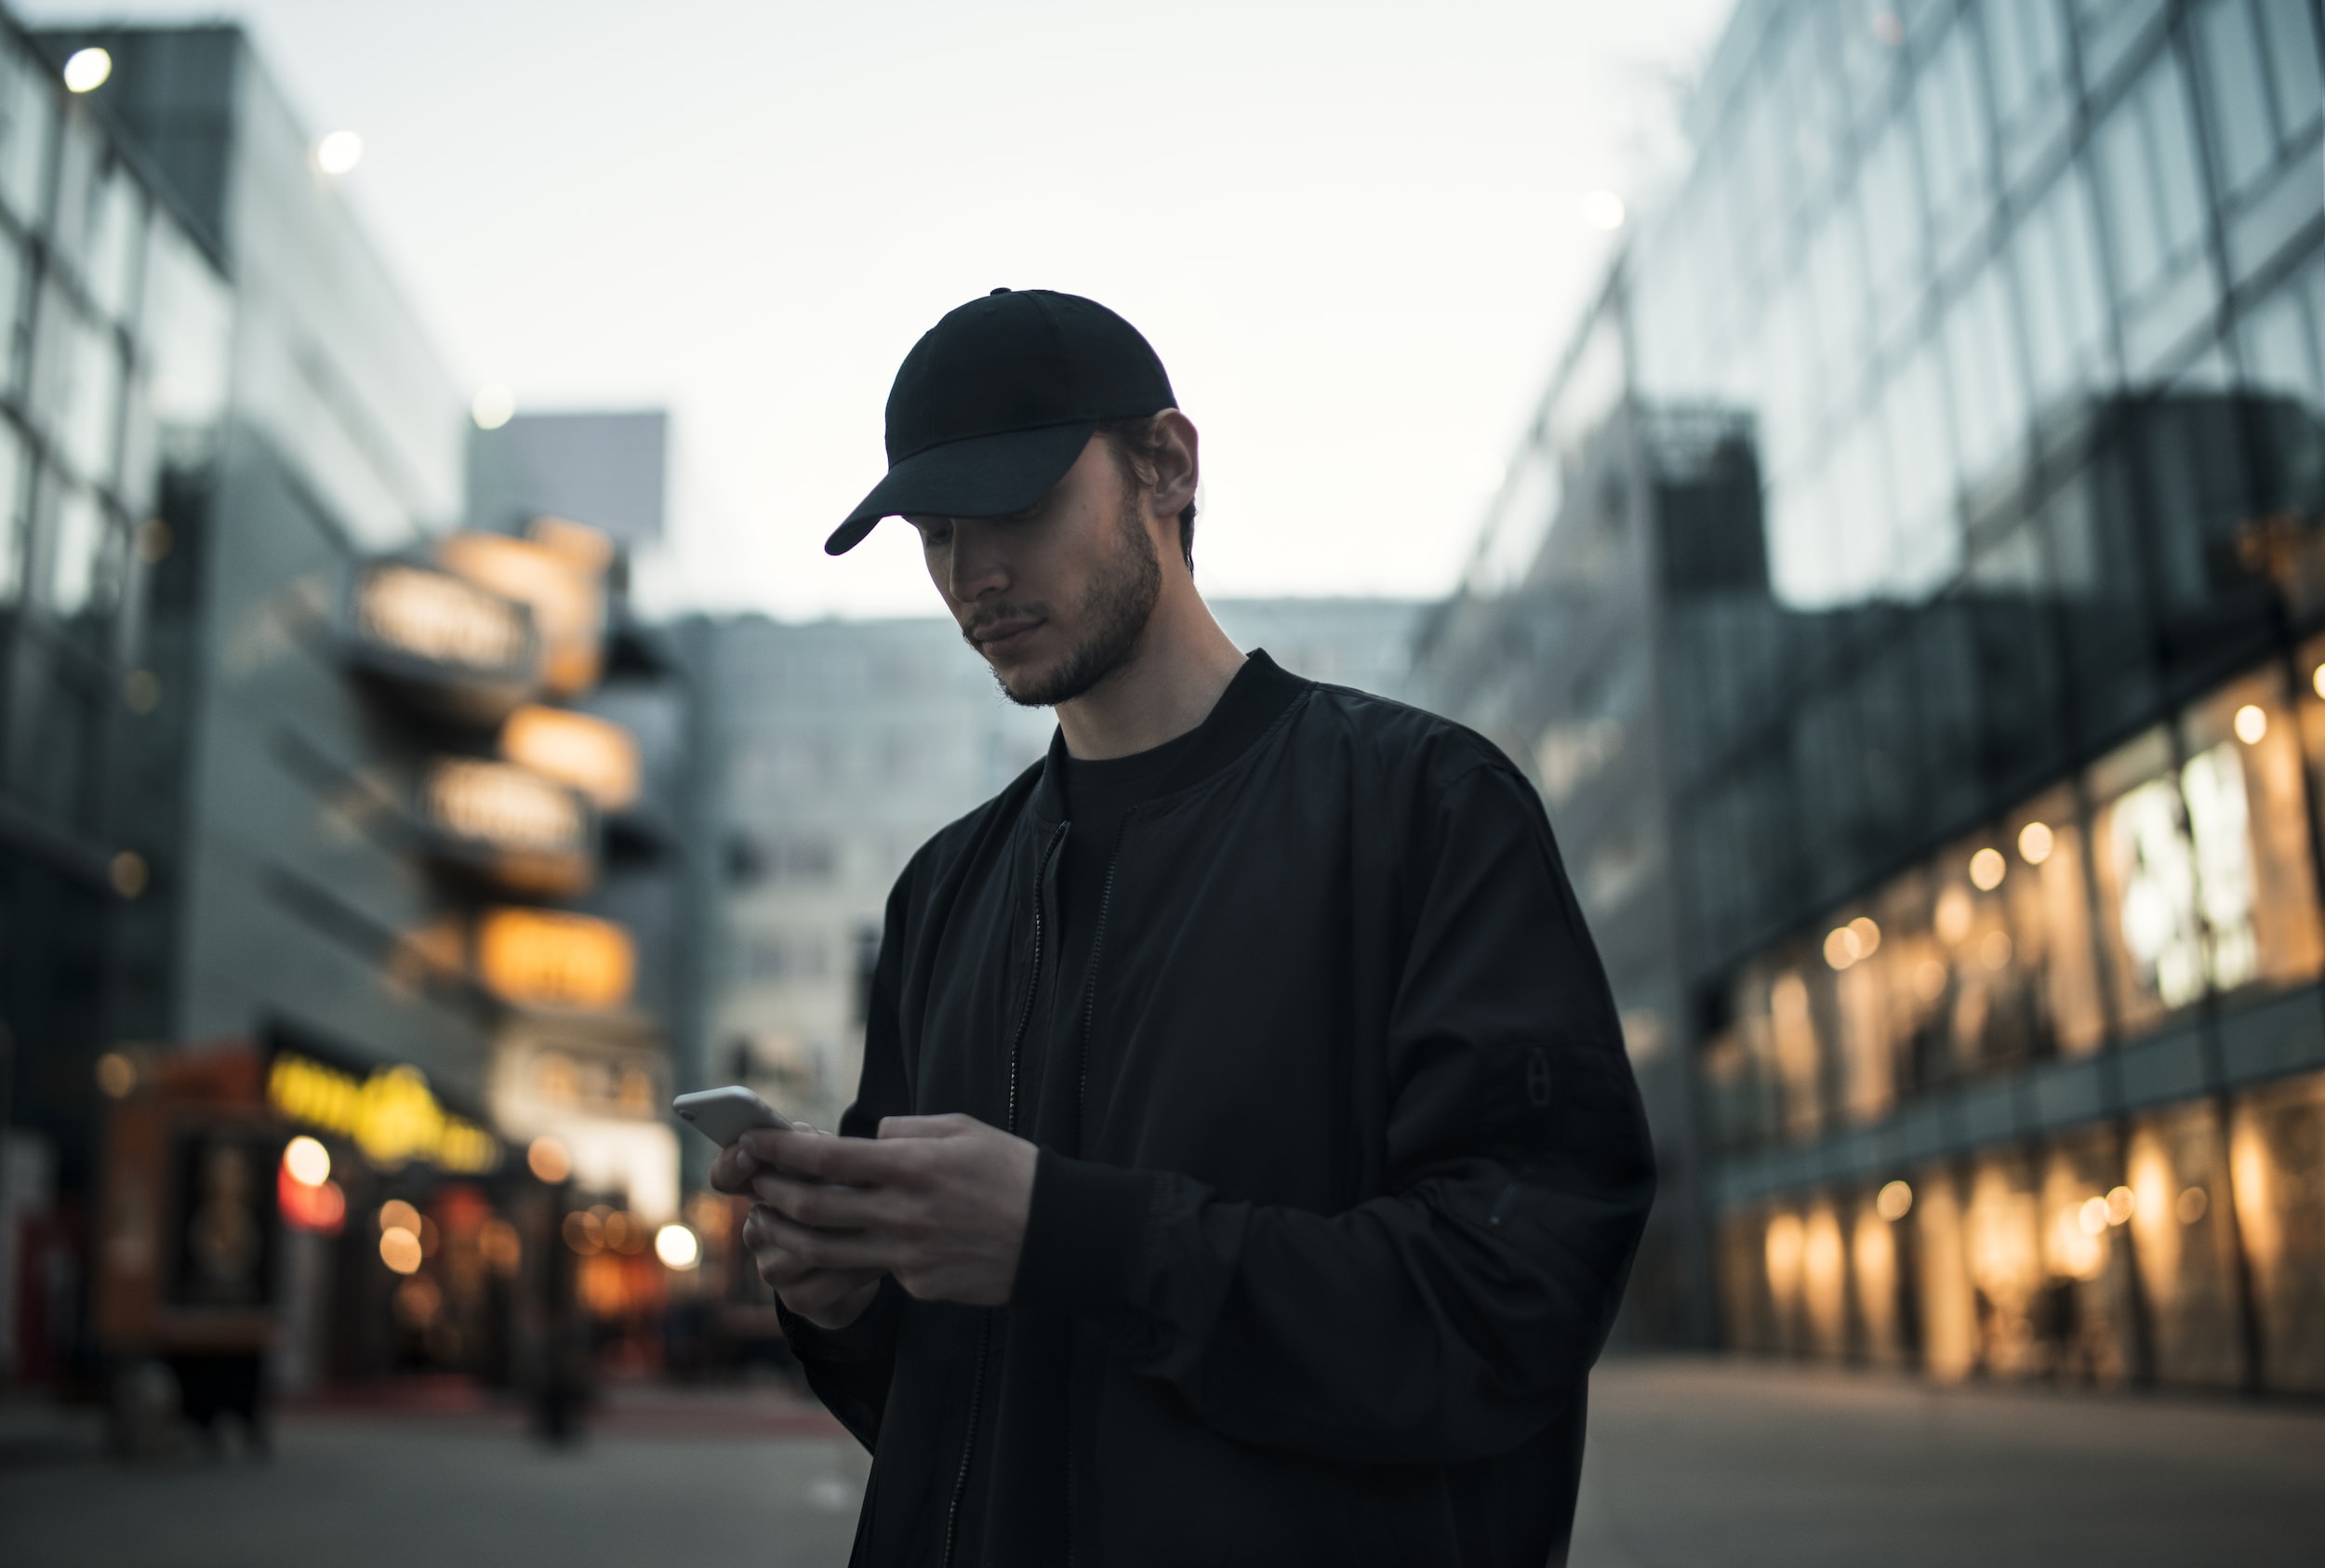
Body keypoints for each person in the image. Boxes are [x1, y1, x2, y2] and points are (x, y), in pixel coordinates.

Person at [710, 288, 1654, 1567]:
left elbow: (1511, 1303)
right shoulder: (944, 891)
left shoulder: (1425, 811)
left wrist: (1072, 1235)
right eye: (934, 531)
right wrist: (838, 1297)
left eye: (1017, 505)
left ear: (1167, 463)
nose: (971, 572)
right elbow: (936, 1397)